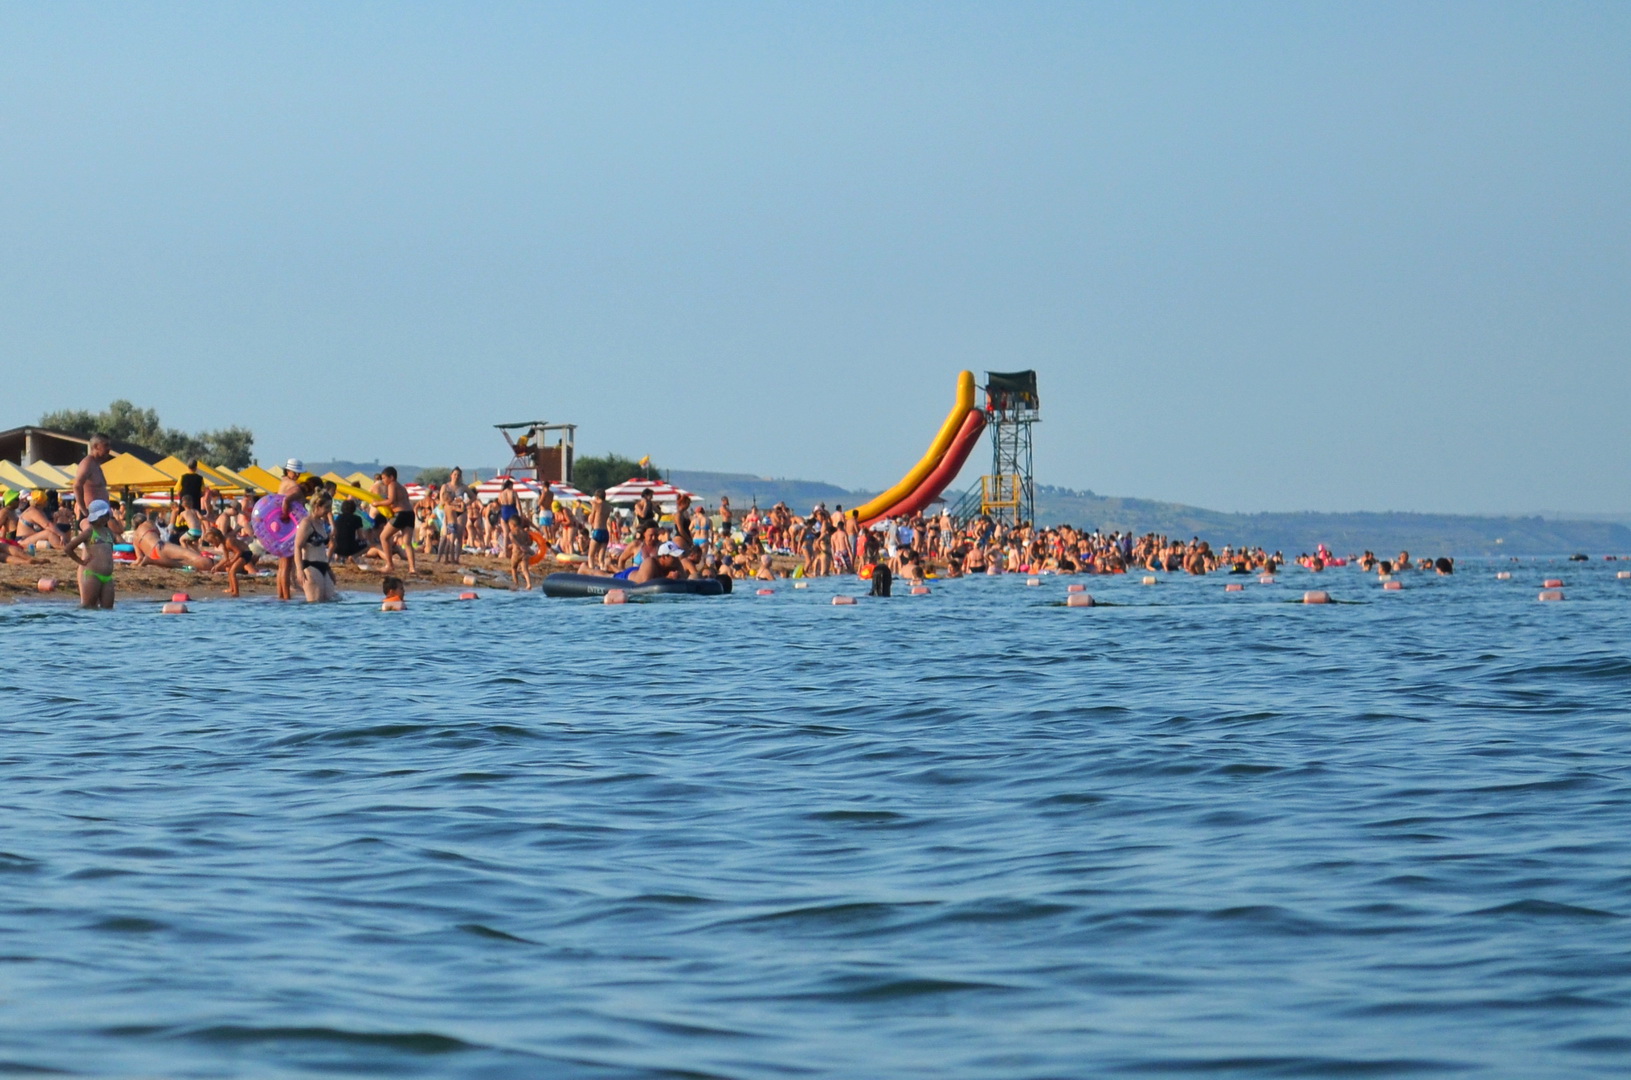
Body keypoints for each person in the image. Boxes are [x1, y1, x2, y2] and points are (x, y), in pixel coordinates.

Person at [65, 499, 119, 609]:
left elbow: (120, 542)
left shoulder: (108, 532)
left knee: (108, 608)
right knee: (88, 607)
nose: (106, 518)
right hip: (92, 574)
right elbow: (68, 548)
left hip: (107, 577)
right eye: (103, 516)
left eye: (107, 515)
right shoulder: (90, 532)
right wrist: (80, 561)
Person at [293, 492, 338, 602]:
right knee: (315, 603)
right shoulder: (306, 523)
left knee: (330, 601)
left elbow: (322, 549)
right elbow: (297, 547)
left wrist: (329, 569)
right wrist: (299, 570)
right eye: (327, 507)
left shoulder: (321, 523)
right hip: (310, 567)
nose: (329, 510)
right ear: (317, 506)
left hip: (323, 565)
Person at [376, 466, 417, 574]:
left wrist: (377, 503)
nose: (383, 480)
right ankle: (412, 568)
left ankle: (389, 565)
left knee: (383, 537)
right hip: (410, 514)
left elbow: (391, 500)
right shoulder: (402, 487)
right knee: (407, 542)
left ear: (391, 477)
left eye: (384, 478)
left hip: (401, 514)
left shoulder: (392, 485)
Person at [205, 527, 258, 597]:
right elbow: (225, 558)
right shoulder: (224, 544)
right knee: (228, 569)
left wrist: (232, 561)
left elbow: (239, 552)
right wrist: (217, 566)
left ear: (216, 538)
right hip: (240, 554)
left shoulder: (228, 541)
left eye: (212, 542)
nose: (212, 544)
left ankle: (236, 592)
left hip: (246, 553)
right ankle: (231, 588)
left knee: (233, 571)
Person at [73, 434, 112, 520]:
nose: (109, 449)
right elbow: (76, 486)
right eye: (106, 445)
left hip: (101, 515)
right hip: (92, 515)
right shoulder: (87, 463)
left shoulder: (96, 464)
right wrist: (84, 512)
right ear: (96, 446)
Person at [175, 460, 208, 538]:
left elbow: (178, 491)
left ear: (187, 467)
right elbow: (203, 492)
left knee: (182, 525)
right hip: (195, 503)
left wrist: (183, 499)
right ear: (196, 467)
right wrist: (196, 496)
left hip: (184, 504)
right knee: (195, 521)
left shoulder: (183, 477)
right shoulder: (200, 478)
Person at [506, 516, 533, 589]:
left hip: (516, 553)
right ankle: (528, 584)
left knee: (514, 567)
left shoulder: (512, 532)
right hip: (525, 553)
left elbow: (512, 538)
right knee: (525, 569)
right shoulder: (525, 532)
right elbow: (530, 542)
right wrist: (525, 545)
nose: (510, 527)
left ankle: (516, 583)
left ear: (512, 525)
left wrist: (519, 546)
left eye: (510, 526)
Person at [586, 489, 611, 571]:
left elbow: (591, 519)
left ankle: (591, 572)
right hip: (605, 532)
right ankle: (603, 571)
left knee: (591, 555)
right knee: (601, 558)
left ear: (597, 497)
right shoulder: (608, 507)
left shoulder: (596, 505)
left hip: (597, 531)